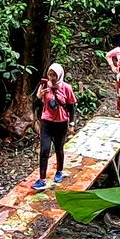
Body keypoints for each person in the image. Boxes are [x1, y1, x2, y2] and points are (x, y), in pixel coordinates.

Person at [32, 63, 77, 191]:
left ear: (60, 75)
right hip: (46, 121)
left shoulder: (66, 88)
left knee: (59, 148)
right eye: (50, 74)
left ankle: (59, 171)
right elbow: (35, 104)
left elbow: (71, 108)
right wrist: (40, 96)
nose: (51, 77)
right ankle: (41, 179)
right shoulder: (44, 85)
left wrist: (72, 124)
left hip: (61, 122)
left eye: (54, 75)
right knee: (44, 150)